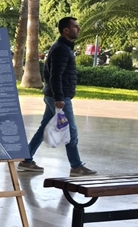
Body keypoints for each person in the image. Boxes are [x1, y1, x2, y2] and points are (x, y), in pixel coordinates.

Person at [17, 17, 96, 177]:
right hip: (59, 97)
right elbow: (55, 76)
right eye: (75, 26)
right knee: (71, 130)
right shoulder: (61, 49)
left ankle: (26, 160)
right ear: (66, 30)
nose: (78, 29)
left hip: (54, 96)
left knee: (44, 128)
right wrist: (60, 98)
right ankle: (76, 166)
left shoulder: (63, 47)